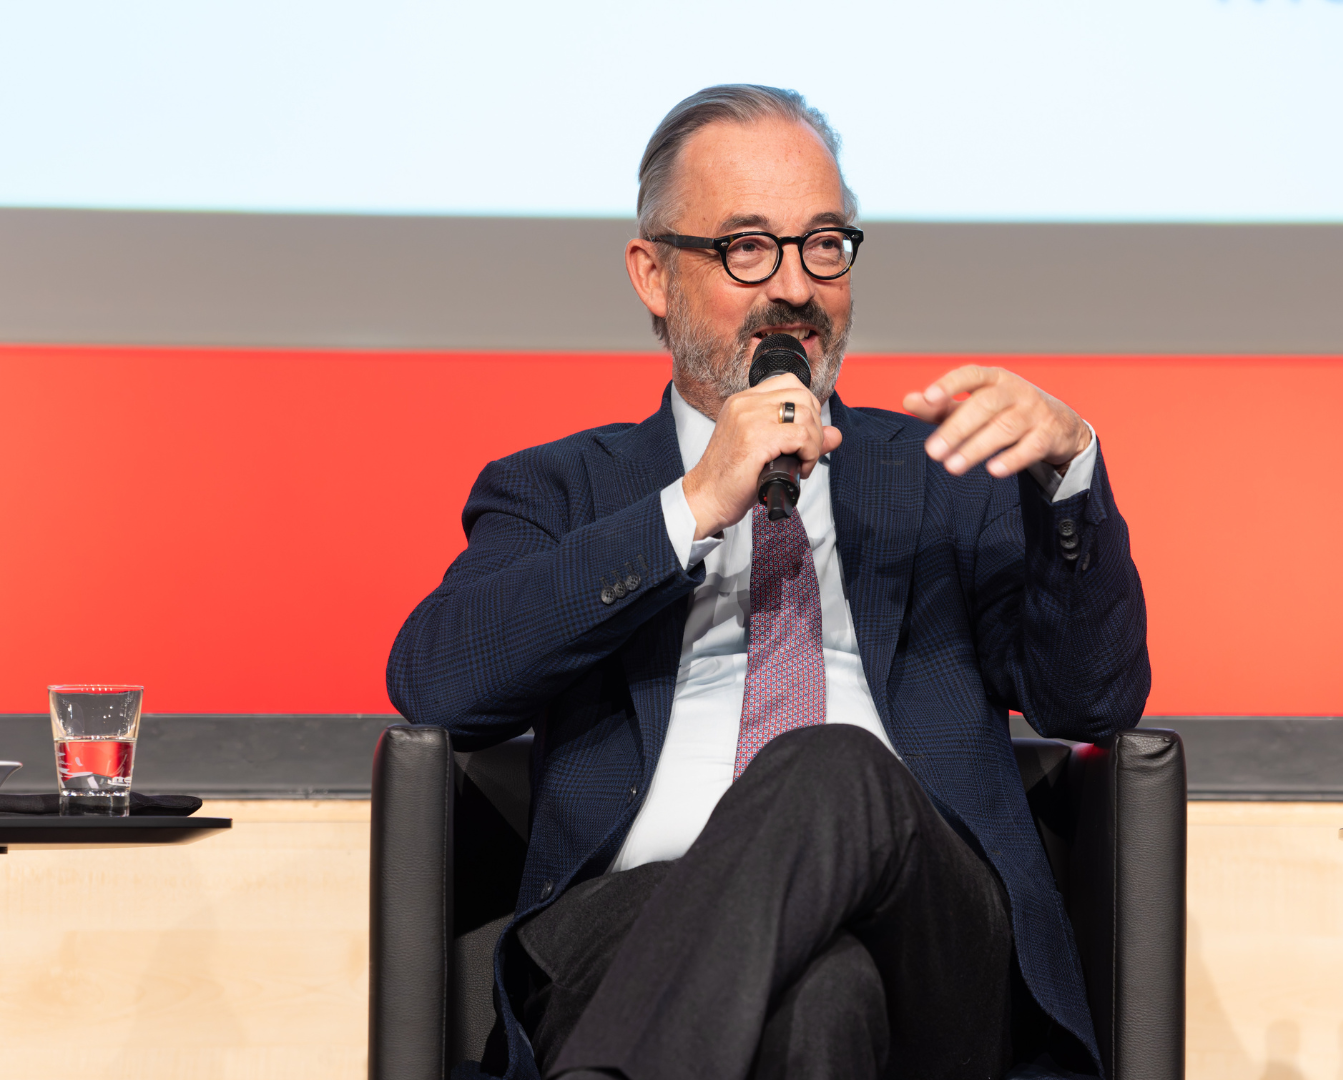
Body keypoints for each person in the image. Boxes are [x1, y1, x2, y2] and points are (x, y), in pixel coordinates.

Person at [387, 84, 1149, 1080]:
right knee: (822, 1004)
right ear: (653, 275)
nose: (794, 286)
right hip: (628, 930)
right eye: (748, 247)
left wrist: (1071, 472)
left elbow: (1090, 698)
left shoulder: (944, 477)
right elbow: (441, 682)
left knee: (833, 765)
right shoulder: (564, 488)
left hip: (932, 940)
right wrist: (694, 504)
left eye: (823, 244)